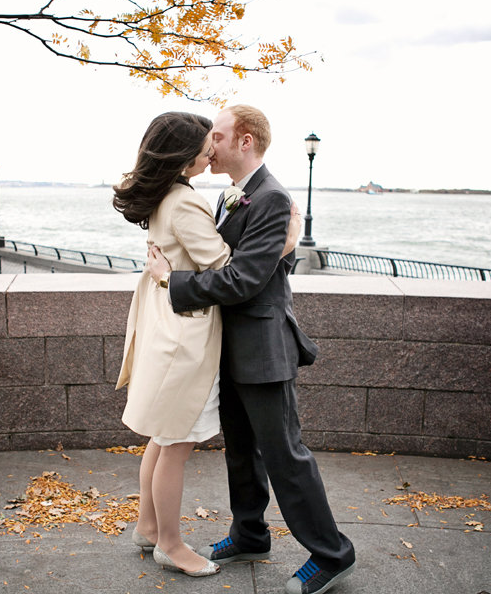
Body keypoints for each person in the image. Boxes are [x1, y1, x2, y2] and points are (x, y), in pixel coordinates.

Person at [147, 104, 356, 594]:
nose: (208, 143)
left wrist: (171, 281)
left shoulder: (272, 197)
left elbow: (241, 279)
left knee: (285, 455)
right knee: (241, 452)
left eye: (216, 135)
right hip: (228, 346)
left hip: (263, 348)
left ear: (245, 141)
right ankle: (250, 534)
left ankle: (332, 553)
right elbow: (244, 263)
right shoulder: (229, 196)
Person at [113, 111, 301, 577]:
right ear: (185, 154)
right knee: (176, 443)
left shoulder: (167, 197)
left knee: (162, 439)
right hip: (187, 343)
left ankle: (148, 527)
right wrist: (285, 239)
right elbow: (227, 267)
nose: (210, 149)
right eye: (204, 143)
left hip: (170, 331)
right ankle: (171, 546)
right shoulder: (186, 202)